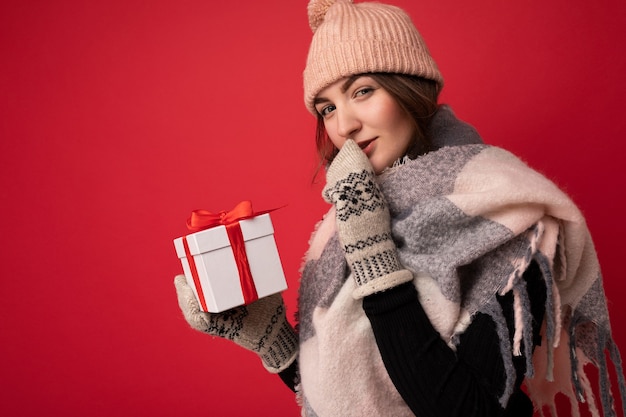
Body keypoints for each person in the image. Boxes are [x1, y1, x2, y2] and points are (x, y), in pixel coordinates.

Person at [174, 0, 626, 416]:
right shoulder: (355, 214)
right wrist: (275, 343)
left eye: (363, 91)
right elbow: (355, 393)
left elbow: (461, 407)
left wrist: (373, 256)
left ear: (411, 88)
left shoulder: (507, 210)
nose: (344, 125)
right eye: (327, 108)